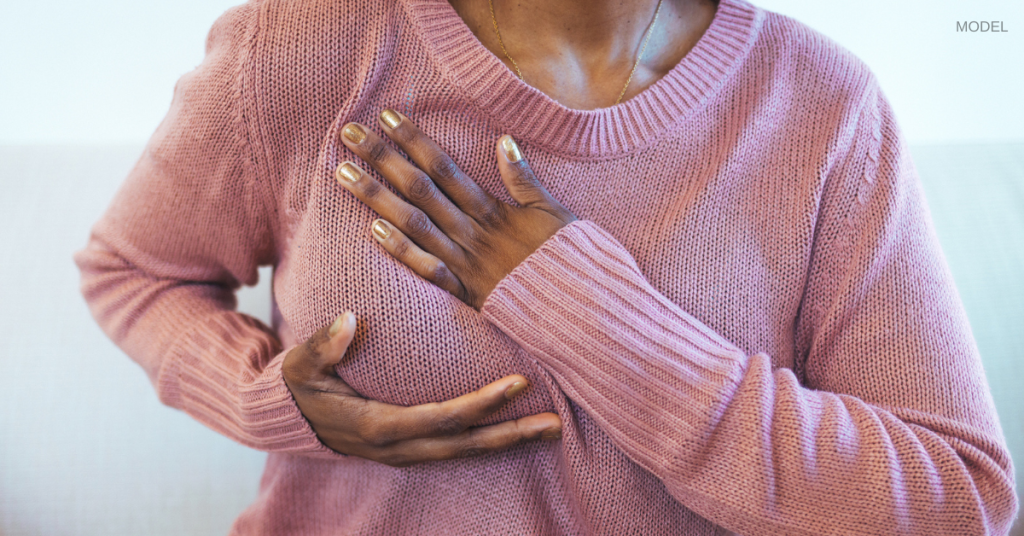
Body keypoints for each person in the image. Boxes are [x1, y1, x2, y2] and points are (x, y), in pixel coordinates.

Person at [75, 0, 1019, 533]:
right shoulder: (296, 49)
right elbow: (131, 271)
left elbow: (959, 505)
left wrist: (578, 304)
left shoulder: (823, 107)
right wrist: (260, 397)